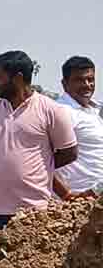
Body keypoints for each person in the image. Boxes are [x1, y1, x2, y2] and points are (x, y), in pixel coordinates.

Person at [0, 50, 78, 230]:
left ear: (18, 78)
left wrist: (41, 166)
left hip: (34, 212)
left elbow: (69, 153)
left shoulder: (52, 110)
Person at [54, 56, 102, 200]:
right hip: (80, 200)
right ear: (65, 84)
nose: (87, 85)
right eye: (79, 80)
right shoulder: (62, 111)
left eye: (90, 79)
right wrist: (66, 194)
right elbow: (42, 158)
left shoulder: (96, 109)